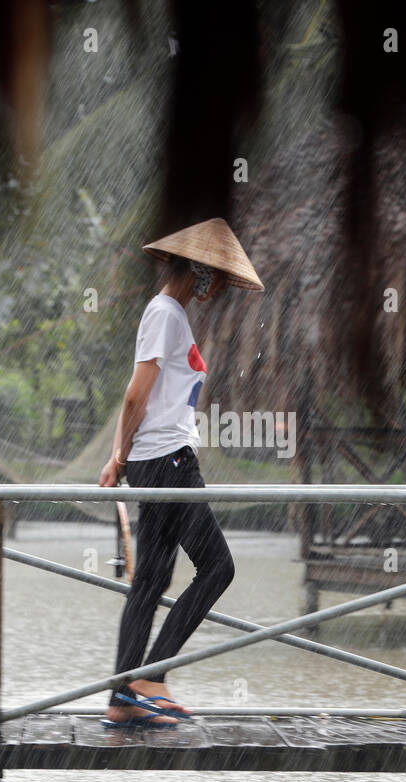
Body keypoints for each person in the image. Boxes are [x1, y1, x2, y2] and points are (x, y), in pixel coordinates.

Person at [98, 218, 265, 727]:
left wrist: (123, 457)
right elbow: (135, 394)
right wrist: (117, 458)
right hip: (168, 462)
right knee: (218, 567)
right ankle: (152, 676)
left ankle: (122, 698)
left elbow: (143, 397)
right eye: (214, 276)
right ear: (198, 272)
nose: (217, 288)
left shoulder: (168, 315)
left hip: (159, 460)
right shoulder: (166, 314)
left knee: (151, 577)